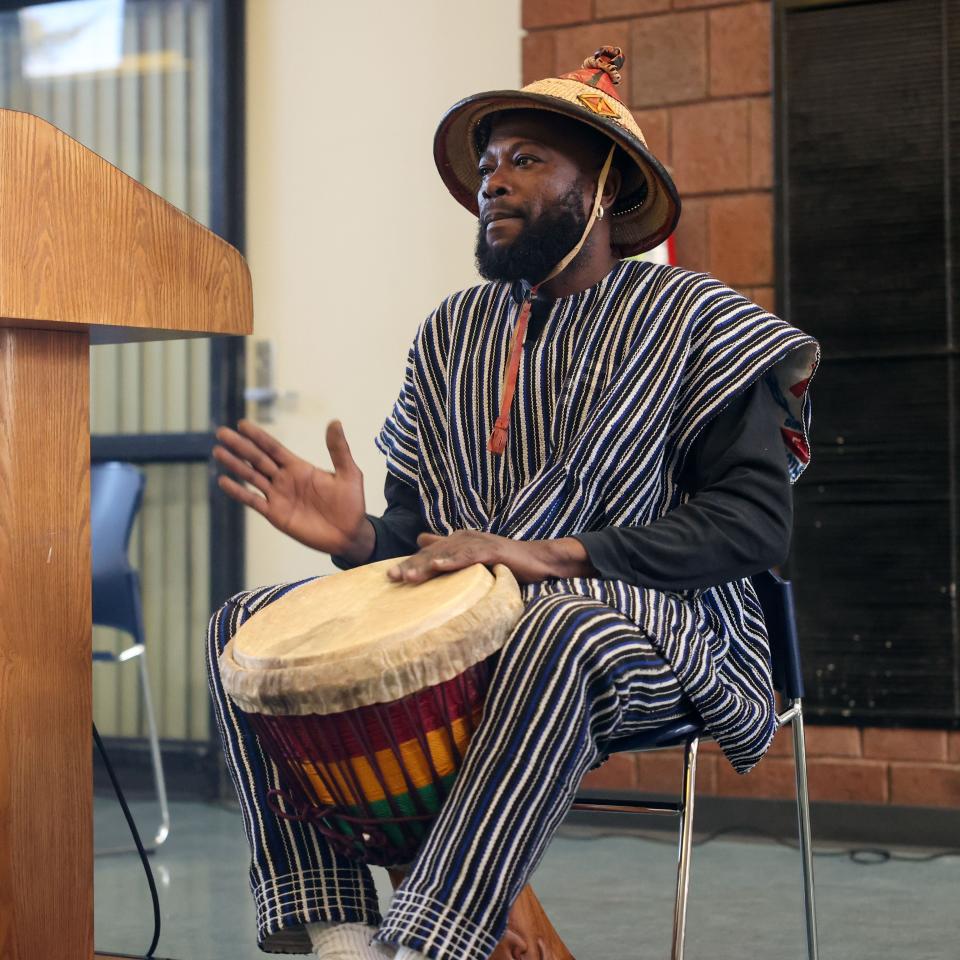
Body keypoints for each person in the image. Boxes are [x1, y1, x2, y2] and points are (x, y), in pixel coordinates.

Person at [208, 47, 818, 960]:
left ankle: (426, 942)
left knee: (557, 627)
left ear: (605, 188)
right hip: (476, 633)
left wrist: (552, 554)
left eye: (527, 159)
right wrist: (358, 536)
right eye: (489, 164)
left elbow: (753, 525)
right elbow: (420, 539)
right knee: (248, 626)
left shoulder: (704, 322)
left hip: (662, 629)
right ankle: (340, 938)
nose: (494, 181)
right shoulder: (450, 333)